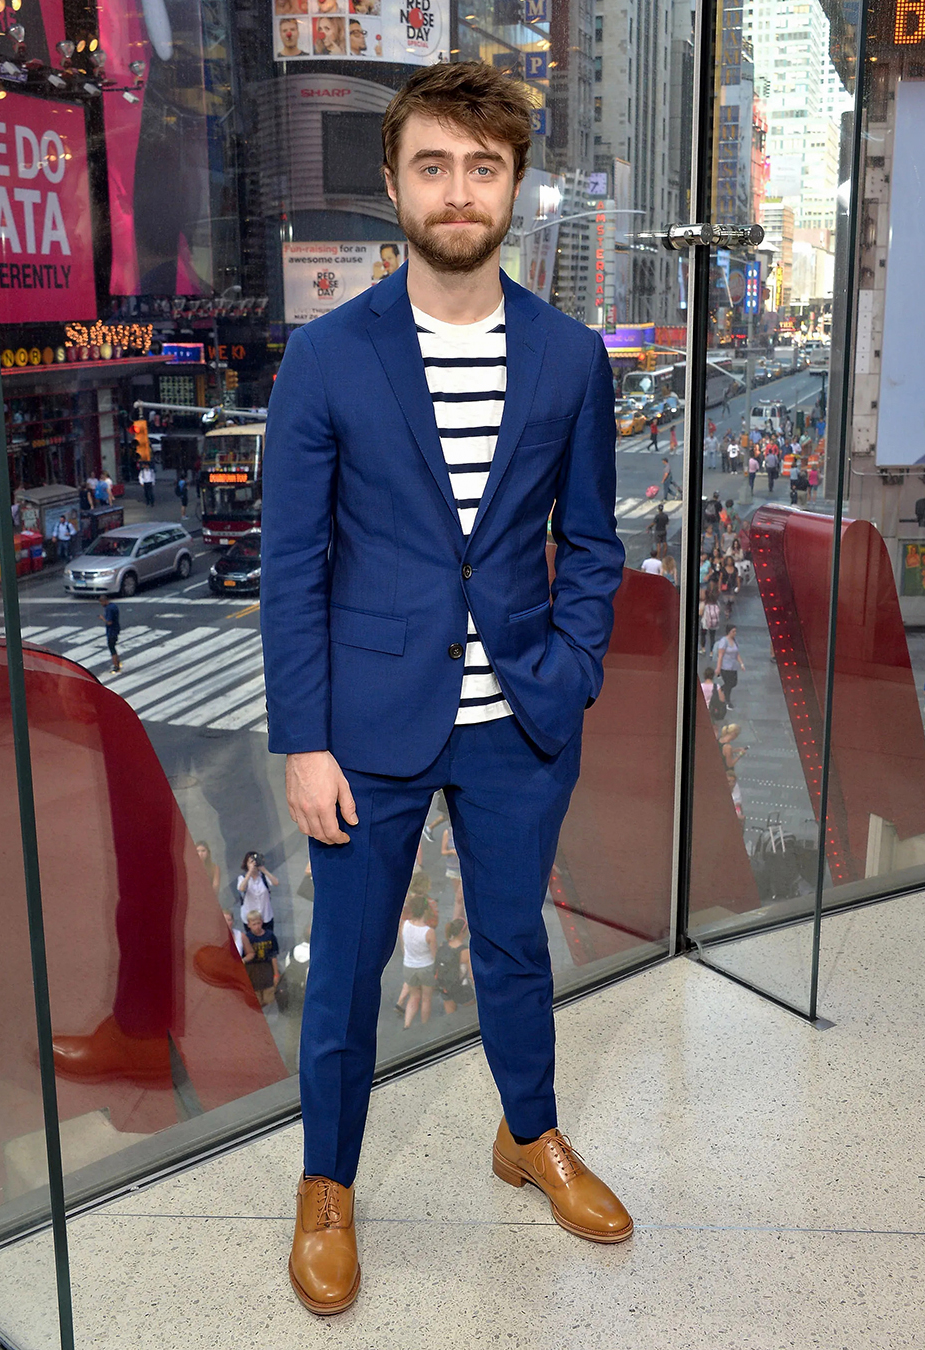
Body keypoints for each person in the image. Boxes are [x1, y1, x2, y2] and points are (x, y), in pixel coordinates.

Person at [261, 61, 631, 1316]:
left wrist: (570, 670)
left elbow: (588, 543)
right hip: (365, 732)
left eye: (482, 167)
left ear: (513, 186)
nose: (457, 190)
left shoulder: (572, 356)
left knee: (519, 945)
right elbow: (290, 566)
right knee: (351, 967)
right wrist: (303, 742)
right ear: (393, 184)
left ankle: (528, 1134)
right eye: (433, 164)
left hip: (518, 719)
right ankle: (327, 1185)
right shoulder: (325, 357)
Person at [398, 892, 437, 1028]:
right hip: (426, 967)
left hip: (409, 966)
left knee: (414, 996)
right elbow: (434, 954)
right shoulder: (428, 931)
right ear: (425, 911)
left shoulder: (405, 925)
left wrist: (407, 957)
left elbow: (403, 945)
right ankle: (424, 1026)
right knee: (426, 999)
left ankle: (407, 1024)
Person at [434, 918, 474, 1013]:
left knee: (451, 1016)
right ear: (462, 932)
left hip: (445, 987)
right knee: (471, 1014)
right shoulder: (465, 951)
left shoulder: (443, 945)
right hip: (461, 989)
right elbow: (472, 976)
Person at [243, 910, 281, 1007]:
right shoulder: (247, 938)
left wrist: (276, 974)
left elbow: (273, 955)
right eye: (254, 924)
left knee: (269, 998)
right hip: (253, 970)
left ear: (262, 922)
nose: (257, 926)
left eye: (258, 923)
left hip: (267, 969)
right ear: (249, 925)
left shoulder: (270, 935)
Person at [238, 851, 279, 931]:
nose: (254, 864)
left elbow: (276, 883)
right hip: (250, 917)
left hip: (265, 914)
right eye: (251, 862)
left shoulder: (263, 876)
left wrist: (264, 870)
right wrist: (249, 872)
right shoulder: (242, 877)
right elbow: (241, 888)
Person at [714, 624, 745, 708]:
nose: (735, 633)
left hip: (733, 667)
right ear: (729, 632)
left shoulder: (734, 641)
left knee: (733, 683)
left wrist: (741, 663)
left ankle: (719, 690)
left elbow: (736, 653)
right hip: (725, 667)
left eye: (735, 631)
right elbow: (720, 655)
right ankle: (727, 701)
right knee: (729, 684)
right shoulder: (724, 641)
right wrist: (718, 668)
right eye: (733, 631)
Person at [441, 823, 464, 921]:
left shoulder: (465, 832)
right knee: (458, 896)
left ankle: (455, 922)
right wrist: (452, 852)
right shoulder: (447, 832)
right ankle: (461, 919)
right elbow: (443, 851)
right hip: (453, 868)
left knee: (459, 896)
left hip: (462, 868)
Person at [99, 594, 121, 673]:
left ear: (104, 601)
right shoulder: (113, 606)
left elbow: (109, 622)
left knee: (112, 648)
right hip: (116, 629)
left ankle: (116, 666)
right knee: (113, 647)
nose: (101, 605)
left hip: (112, 631)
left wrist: (102, 618)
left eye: (101, 603)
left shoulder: (109, 609)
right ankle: (118, 663)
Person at [699, 583, 720, 655]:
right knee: (712, 637)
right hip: (714, 624)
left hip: (705, 622)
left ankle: (703, 649)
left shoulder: (704, 603)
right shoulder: (717, 603)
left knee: (703, 635)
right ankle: (711, 652)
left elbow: (700, 613)